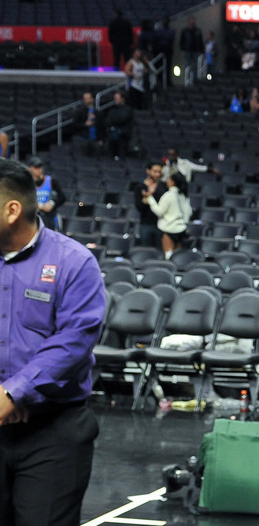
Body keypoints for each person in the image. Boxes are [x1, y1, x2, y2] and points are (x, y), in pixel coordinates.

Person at [0, 158, 104, 526]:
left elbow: (73, 341)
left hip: (52, 433)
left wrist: (14, 394)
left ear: (12, 210)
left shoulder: (74, 262)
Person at [144, 172, 192, 259]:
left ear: (173, 182)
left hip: (169, 230)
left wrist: (150, 198)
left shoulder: (168, 195)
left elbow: (159, 211)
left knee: (169, 256)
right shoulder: (184, 195)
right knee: (178, 257)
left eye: (169, 179)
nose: (167, 181)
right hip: (181, 230)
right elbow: (189, 212)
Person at [24, 157, 65, 233]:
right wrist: (35, 205)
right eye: (36, 167)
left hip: (50, 218)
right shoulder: (26, 184)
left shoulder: (51, 181)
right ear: (30, 169)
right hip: (34, 219)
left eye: (40, 167)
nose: (39, 169)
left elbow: (62, 197)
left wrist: (52, 203)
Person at [134, 160, 167, 249]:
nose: (157, 174)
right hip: (146, 224)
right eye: (155, 171)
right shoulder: (140, 187)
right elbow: (139, 207)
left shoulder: (164, 187)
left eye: (159, 172)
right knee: (146, 251)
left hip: (161, 225)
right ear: (148, 171)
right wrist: (149, 194)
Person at [103, 90, 134, 158]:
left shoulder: (128, 109)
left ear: (122, 98)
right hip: (112, 135)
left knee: (121, 154)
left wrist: (113, 119)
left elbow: (121, 119)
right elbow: (107, 121)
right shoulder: (112, 109)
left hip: (122, 136)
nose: (115, 100)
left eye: (117, 98)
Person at [179, 17, 205, 87]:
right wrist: (182, 50)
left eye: (193, 21)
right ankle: (187, 81)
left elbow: (200, 41)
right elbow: (182, 41)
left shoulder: (197, 31)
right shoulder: (185, 31)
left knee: (195, 67)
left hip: (195, 51)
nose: (192, 22)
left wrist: (201, 50)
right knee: (187, 66)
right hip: (187, 51)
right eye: (191, 21)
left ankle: (195, 82)